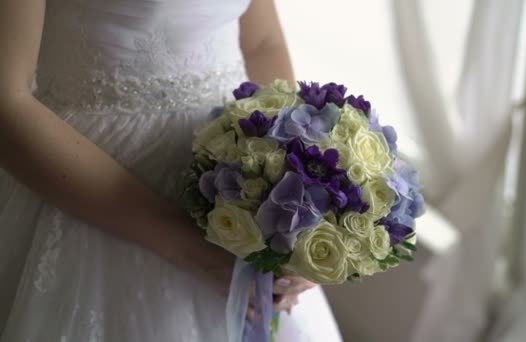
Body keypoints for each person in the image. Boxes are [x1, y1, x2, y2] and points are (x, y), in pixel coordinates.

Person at [0, 0, 342, 340]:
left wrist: (293, 195)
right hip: (88, 187)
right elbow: (7, 106)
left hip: (239, 179)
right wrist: (195, 250)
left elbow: (262, 43)